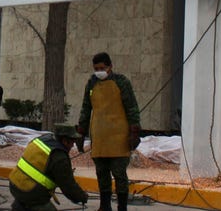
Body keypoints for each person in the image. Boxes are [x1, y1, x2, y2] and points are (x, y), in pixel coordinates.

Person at [78, 52, 141, 211]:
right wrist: (81, 131)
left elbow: (132, 107)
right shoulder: (91, 84)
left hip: (119, 137)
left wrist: (134, 131)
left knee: (120, 175)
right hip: (99, 137)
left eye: (102, 68)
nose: (99, 71)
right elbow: (86, 109)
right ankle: (104, 206)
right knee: (102, 174)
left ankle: (122, 207)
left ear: (110, 66)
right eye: (96, 68)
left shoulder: (121, 82)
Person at [8, 124, 90, 211]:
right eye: (72, 142)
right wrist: (82, 197)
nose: (72, 146)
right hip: (30, 192)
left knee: (24, 204)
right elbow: (68, 186)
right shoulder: (59, 156)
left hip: (14, 185)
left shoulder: (42, 140)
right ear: (65, 141)